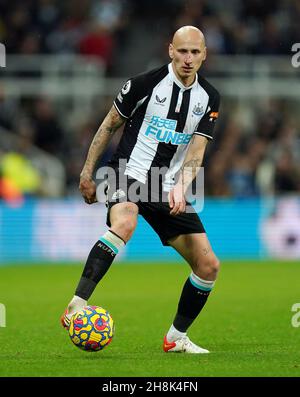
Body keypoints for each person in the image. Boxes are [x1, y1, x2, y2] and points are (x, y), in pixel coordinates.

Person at [61, 25, 221, 354]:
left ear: (204, 55)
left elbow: (197, 151)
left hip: (167, 187)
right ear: (170, 51)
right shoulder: (143, 85)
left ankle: (176, 338)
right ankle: (77, 303)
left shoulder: (209, 98)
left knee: (208, 266)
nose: (188, 59)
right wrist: (87, 172)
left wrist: (182, 186)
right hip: (127, 173)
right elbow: (108, 125)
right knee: (125, 222)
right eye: (182, 51)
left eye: (195, 52)